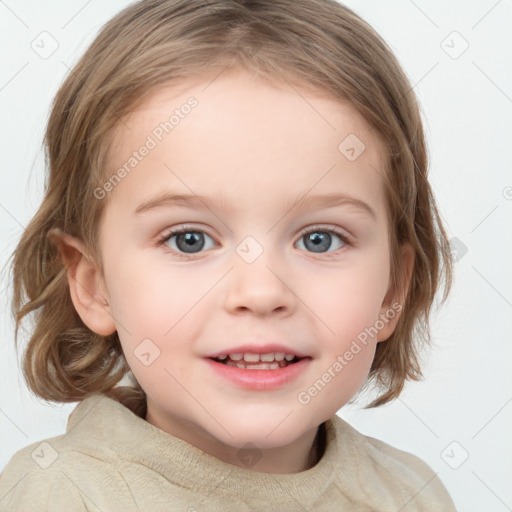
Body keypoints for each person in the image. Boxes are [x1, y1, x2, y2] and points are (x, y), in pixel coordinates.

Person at [0, 0, 457, 510]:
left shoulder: (410, 494)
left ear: (392, 288)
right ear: (93, 284)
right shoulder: (59, 495)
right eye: (188, 239)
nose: (260, 293)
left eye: (319, 239)